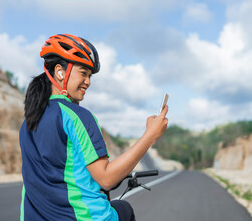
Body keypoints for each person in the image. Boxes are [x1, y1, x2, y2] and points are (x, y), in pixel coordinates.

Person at [19, 34, 168, 221]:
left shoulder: (28, 122)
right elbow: (106, 178)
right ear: (60, 71)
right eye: (83, 73)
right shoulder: (77, 116)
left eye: (90, 76)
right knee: (124, 209)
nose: (88, 81)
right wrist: (150, 135)